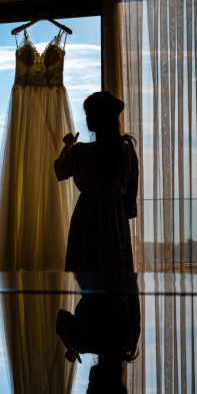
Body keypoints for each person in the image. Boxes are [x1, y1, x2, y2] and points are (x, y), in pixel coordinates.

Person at [54, 91, 139, 273]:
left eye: (88, 114)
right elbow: (131, 196)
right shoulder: (127, 152)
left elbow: (60, 171)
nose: (86, 118)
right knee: (116, 276)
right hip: (116, 218)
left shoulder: (81, 152)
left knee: (88, 276)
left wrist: (68, 146)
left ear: (95, 118)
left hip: (88, 217)